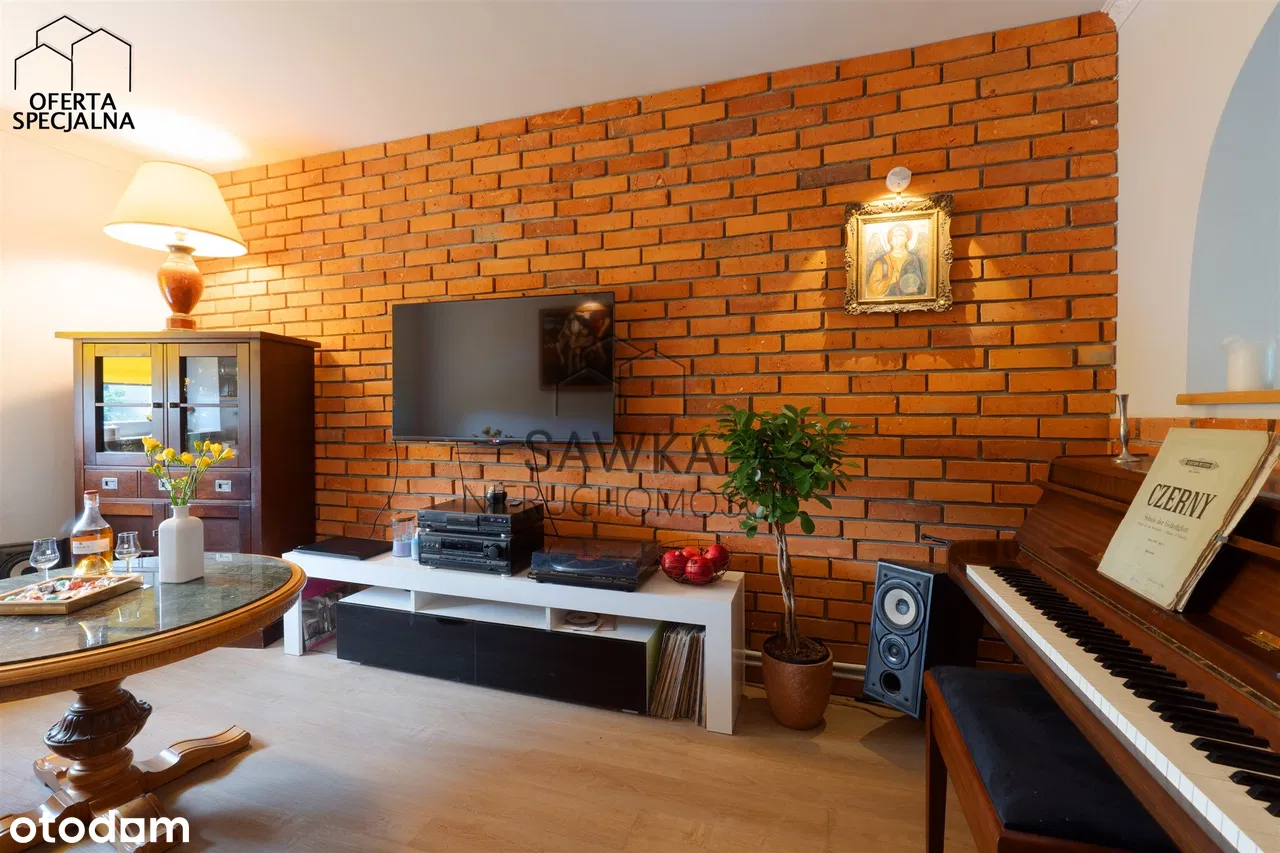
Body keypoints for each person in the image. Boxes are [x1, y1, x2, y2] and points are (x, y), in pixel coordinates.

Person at [865, 223, 927, 298]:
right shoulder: (883, 262)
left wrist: (915, 288)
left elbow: (921, 285)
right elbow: (872, 289)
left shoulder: (913, 259)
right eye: (894, 236)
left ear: (907, 239)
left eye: (901, 235)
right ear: (890, 240)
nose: (897, 239)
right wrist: (890, 281)